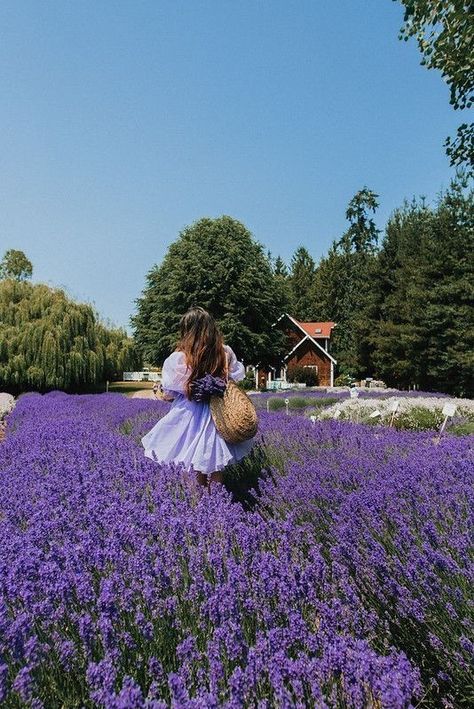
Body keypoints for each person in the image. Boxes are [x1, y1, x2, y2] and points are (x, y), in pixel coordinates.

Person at [141, 307, 256, 492]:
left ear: (188, 331)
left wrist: (164, 392)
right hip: (218, 413)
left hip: (189, 415)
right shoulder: (224, 353)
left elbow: (171, 392)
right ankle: (217, 507)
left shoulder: (180, 358)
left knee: (192, 464)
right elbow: (233, 379)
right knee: (215, 462)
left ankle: (197, 509)